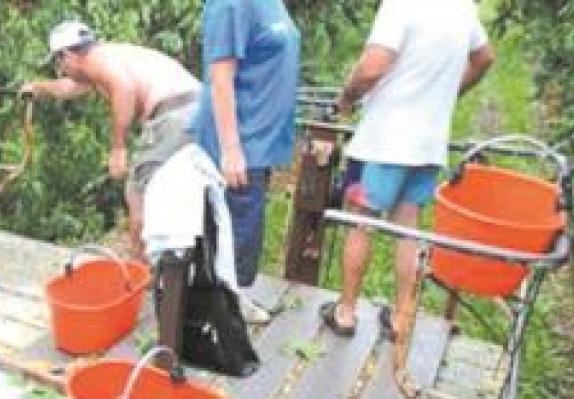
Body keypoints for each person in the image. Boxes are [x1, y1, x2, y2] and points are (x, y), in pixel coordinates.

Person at [324, 0, 495, 338]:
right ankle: (402, 318)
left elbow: (372, 67)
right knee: (409, 226)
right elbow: (484, 57)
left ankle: (345, 312)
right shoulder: (462, 8)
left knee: (362, 221)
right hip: (429, 141)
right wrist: (448, 93)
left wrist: (346, 99)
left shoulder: (400, 6)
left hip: (387, 139)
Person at [20, 20, 202, 259]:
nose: (61, 70)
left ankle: (143, 267)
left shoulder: (100, 63)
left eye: (59, 62)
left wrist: (118, 148)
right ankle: (187, 258)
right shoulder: (106, 57)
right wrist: (38, 87)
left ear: (67, 55)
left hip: (176, 114)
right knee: (185, 187)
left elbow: (124, 89)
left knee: (139, 191)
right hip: (199, 108)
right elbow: (71, 87)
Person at [191, 0, 301, 324]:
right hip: (241, 141)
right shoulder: (230, 4)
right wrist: (231, 148)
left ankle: (229, 303)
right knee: (235, 230)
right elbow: (220, 77)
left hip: (261, 140)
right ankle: (219, 320)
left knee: (244, 230)